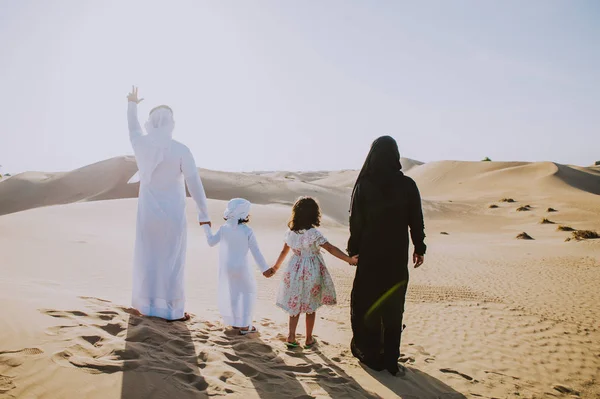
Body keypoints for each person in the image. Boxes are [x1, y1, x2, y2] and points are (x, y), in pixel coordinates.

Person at [127, 86, 211, 321]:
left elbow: (132, 127)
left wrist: (131, 104)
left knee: (148, 258)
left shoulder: (141, 144)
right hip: (173, 216)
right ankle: (173, 311)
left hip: (147, 216)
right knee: (171, 262)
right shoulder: (181, 149)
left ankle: (146, 306)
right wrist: (203, 212)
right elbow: (194, 183)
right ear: (170, 123)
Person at [347, 136, 426, 376]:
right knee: (393, 306)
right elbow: (416, 219)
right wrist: (419, 247)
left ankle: (371, 354)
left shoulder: (365, 184)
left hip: (370, 256)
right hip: (396, 256)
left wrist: (354, 250)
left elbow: (356, 223)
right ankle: (391, 358)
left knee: (367, 303)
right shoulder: (408, 185)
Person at [268, 197, 358, 349]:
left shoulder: (290, 232)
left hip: (295, 268)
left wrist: (276, 267)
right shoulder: (313, 233)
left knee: (295, 302)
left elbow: (284, 250)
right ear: (314, 214)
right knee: (310, 305)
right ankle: (309, 338)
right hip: (311, 270)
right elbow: (330, 248)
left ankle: (291, 336)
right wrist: (348, 259)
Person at [202, 198, 272, 334]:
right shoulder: (247, 231)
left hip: (227, 268)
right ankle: (245, 325)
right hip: (242, 267)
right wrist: (265, 269)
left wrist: (206, 227)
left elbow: (211, 242)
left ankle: (235, 322)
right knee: (246, 293)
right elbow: (255, 251)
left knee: (233, 293)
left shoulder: (224, 229)